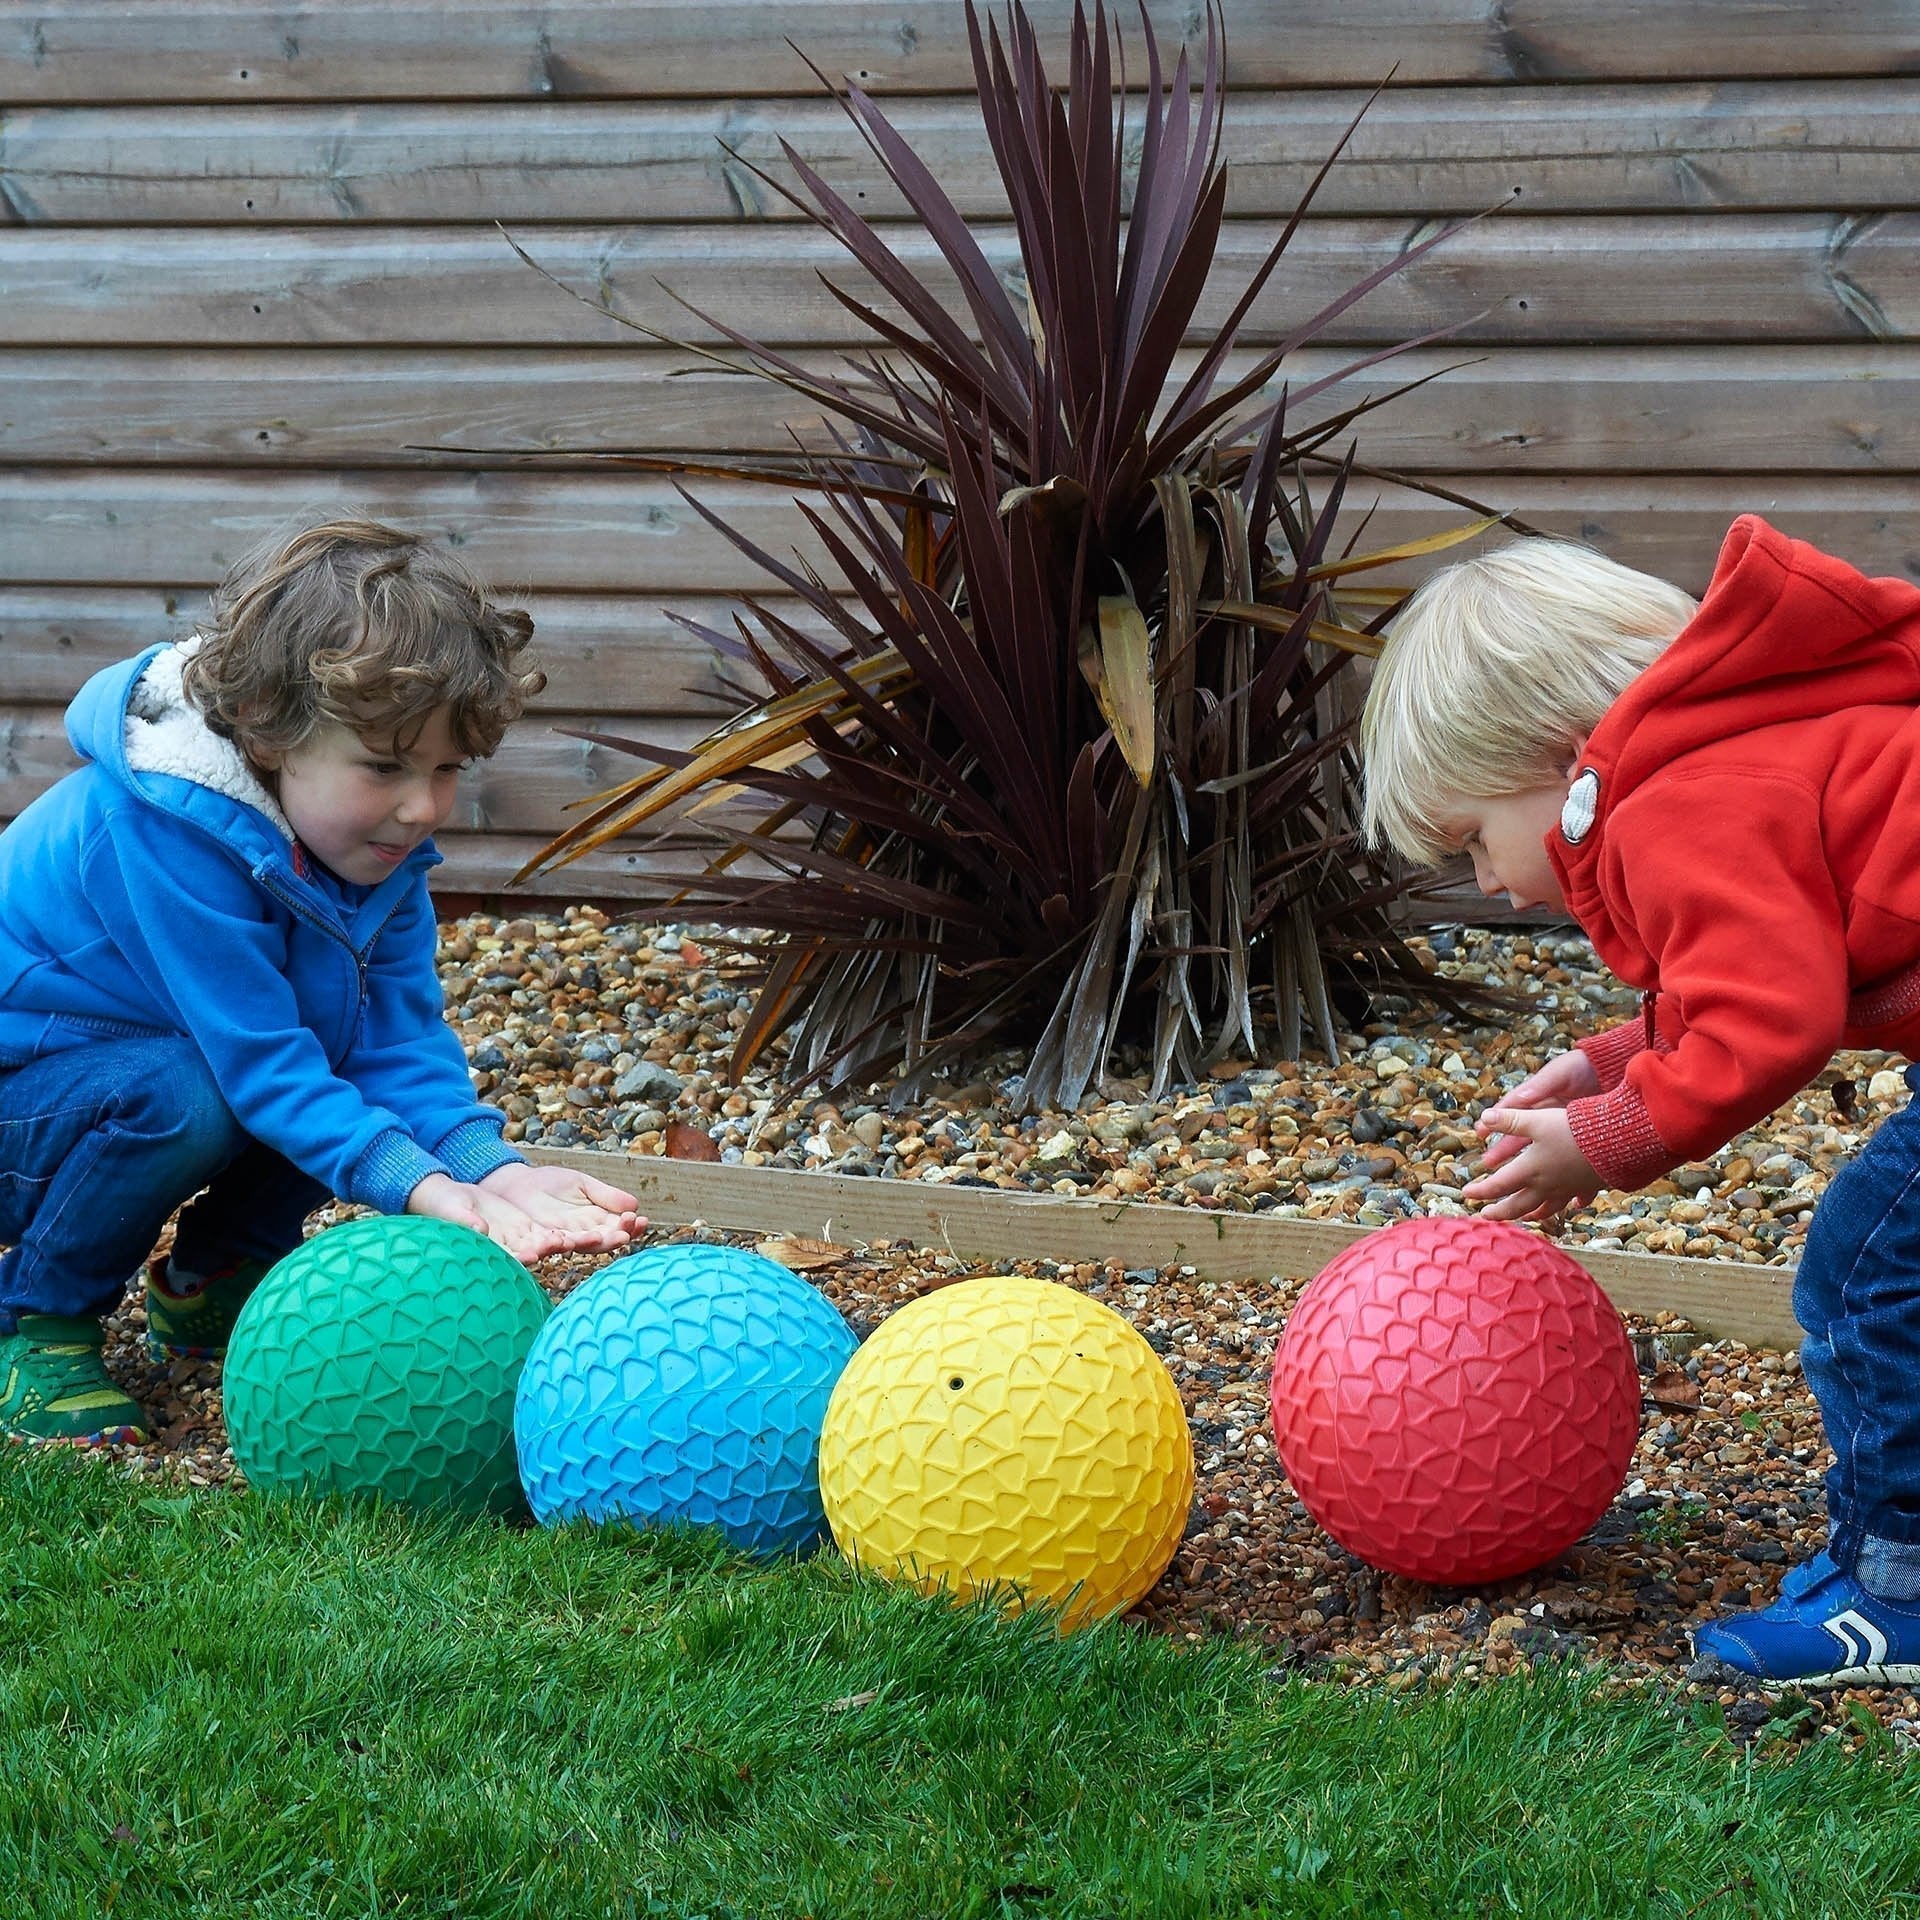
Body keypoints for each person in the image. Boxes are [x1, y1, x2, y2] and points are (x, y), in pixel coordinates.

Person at [1360, 513, 1920, 1686]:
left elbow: (1773, 1022)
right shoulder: (1740, 755)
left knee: (1867, 1271)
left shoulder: (1675, 806)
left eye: (1472, 840)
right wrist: (1613, 1064)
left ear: (1564, 762)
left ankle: (1895, 1592)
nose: (1491, 888)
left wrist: (1604, 1142)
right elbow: (1766, 964)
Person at [0, 517, 643, 1445]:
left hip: (134, 1071)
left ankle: (211, 1285)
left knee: (311, 1049)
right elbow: (263, 1065)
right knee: (189, 1094)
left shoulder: (377, 853)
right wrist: (424, 1188)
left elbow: (399, 1043)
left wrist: (488, 1167)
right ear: (268, 734)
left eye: (446, 768)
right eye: (384, 766)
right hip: (26, 1099)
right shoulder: (163, 830)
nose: (422, 807)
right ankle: (36, 1321)